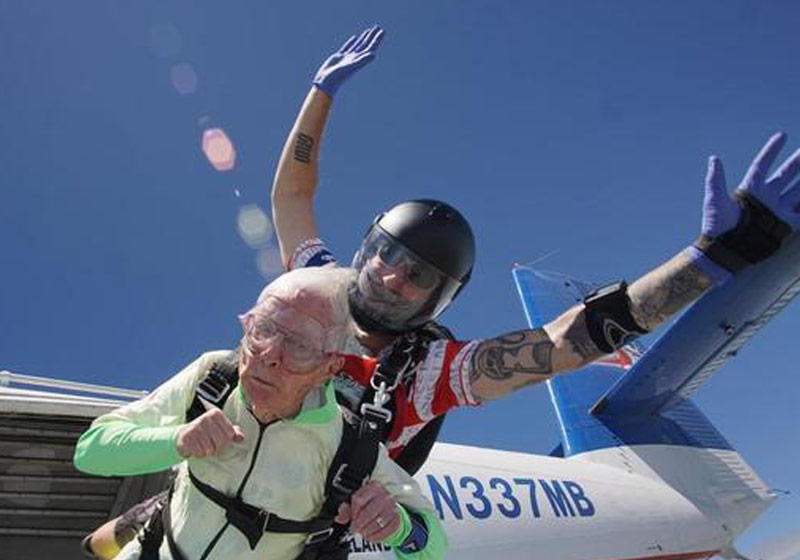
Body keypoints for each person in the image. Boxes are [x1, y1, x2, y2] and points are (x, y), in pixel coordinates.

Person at [82, 25, 800, 559]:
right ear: (365, 253)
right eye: (390, 257)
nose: (395, 277)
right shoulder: (317, 289)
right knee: (102, 546)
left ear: (438, 302)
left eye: (420, 276)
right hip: (234, 469)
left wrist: (706, 263)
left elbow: (561, 342)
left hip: (313, 515)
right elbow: (291, 194)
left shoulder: (430, 372)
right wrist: (320, 93)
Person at [74, 267, 446, 560]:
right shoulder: (214, 377)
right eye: (264, 329)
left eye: (299, 344)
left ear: (330, 367)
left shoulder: (349, 446)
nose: (268, 355)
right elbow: (91, 450)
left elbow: (433, 547)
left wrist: (398, 528)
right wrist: (177, 440)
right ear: (245, 325)